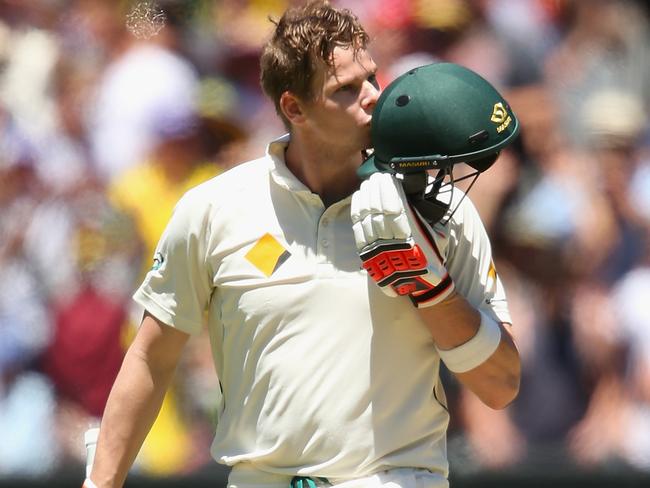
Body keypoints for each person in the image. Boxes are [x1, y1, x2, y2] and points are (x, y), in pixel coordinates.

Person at [83, 2, 520, 487]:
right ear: (294, 107)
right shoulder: (214, 208)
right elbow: (151, 357)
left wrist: (433, 291)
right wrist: (100, 483)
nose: (374, 97)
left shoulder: (440, 209)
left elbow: (500, 385)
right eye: (346, 90)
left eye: (372, 78)